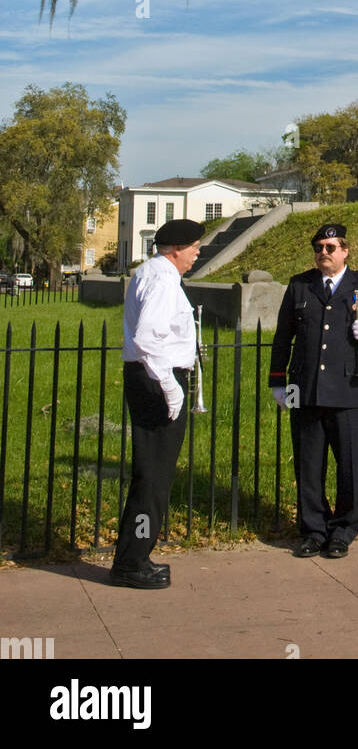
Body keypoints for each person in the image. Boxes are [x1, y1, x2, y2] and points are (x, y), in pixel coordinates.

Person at [269, 222, 358, 558]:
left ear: (345, 250)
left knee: (350, 467)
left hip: (349, 389)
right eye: (318, 248)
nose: (323, 253)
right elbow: (283, 336)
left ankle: (343, 530)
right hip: (306, 389)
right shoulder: (300, 286)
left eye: (330, 248)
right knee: (309, 466)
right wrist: (279, 383)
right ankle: (313, 530)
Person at [111, 218, 202, 589]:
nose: (198, 253)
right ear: (177, 249)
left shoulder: (152, 273)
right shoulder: (163, 279)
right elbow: (148, 338)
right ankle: (132, 562)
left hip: (149, 377)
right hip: (156, 380)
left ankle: (136, 554)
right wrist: (171, 387)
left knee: (153, 473)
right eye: (195, 247)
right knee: (153, 475)